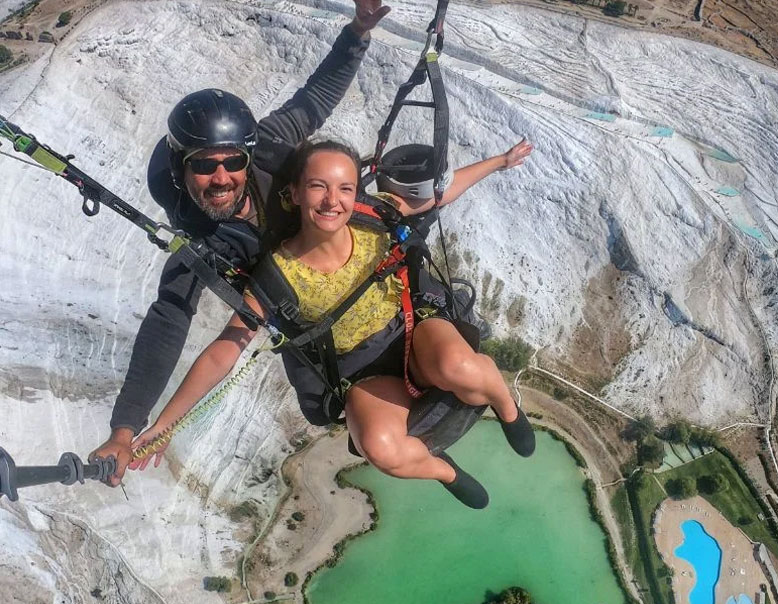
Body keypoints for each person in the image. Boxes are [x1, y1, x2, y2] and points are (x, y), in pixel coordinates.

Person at [129, 137, 535, 509]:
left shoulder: (373, 216)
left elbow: (438, 196)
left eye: (344, 188)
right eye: (318, 186)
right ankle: (446, 471)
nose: (332, 201)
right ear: (294, 194)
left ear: (356, 193)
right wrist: (165, 425)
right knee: (380, 448)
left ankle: (507, 409)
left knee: (459, 367)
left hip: (412, 329)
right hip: (360, 370)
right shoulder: (277, 275)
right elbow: (224, 350)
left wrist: (500, 161)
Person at [88, 0, 392, 486]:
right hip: (311, 310)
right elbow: (169, 317)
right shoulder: (197, 240)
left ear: (247, 158)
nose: (221, 178)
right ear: (181, 169)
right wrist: (127, 427)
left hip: (355, 264)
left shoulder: (269, 147)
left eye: (231, 163)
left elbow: (313, 101)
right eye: (204, 165)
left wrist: (358, 31)